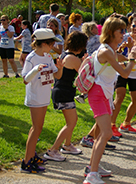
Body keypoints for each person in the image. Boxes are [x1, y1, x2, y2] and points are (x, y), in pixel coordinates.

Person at [83, 17, 136, 184]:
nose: (124, 34)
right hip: (98, 94)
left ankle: (92, 167)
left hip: (105, 94)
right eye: (121, 31)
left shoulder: (110, 50)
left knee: (99, 135)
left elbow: (120, 60)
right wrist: (132, 58)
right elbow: (125, 73)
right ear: (111, 33)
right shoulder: (105, 51)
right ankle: (91, 175)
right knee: (106, 133)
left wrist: (133, 59)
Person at [20, 28, 63, 173]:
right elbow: (25, 79)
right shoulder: (32, 58)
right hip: (36, 97)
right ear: (44, 43)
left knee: (38, 128)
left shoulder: (48, 57)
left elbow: (57, 76)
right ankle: (26, 161)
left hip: (44, 97)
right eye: (51, 43)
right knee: (36, 128)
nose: (53, 47)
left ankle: (31, 156)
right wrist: (36, 70)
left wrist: (60, 68)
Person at [45, 31, 88, 162]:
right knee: (71, 122)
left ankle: (67, 145)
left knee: (72, 121)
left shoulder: (65, 54)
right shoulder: (72, 58)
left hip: (65, 92)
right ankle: (53, 150)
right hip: (63, 92)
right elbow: (84, 73)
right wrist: (85, 61)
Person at [111, 17, 136, 135]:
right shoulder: (123, 36)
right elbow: (114, 53)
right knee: (119, 97)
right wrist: (122, 48)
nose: (135, 29)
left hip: (134, 73)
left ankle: (126, 124)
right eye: (133, 26)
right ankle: (112, 125)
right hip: (121, 70)